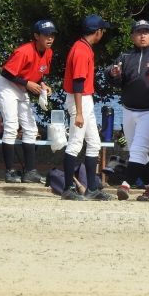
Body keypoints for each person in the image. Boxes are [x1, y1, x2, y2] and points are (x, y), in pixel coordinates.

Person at [106, 19, 149, 202]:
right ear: (132, 36)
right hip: (129, 110)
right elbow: (113, 78)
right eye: (139, 32)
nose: (143, 35)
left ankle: (126, 184)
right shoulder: (125, 57)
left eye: (146, 32)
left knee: (139, 149)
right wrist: (112, 74)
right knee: (137, 151)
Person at [0, 20, 56, 184]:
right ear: (36, 36)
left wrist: (43, 84)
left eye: (52, 35)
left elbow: (38, 73)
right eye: (46, 35)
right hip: (7, 87)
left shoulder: (48, 52)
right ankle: (9, 172)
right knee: (11, 127)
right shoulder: (24, 52)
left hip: (21, 87)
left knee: (30, 129)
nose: (50, 38)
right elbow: (6, 73)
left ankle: (30, 172)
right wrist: (27, 84)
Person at [61, 14, 113, 200]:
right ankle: (68, 188)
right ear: (97, 32)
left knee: (94, 143)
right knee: (75, 143)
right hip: (80, 99)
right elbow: (78, 82)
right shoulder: (82, 50)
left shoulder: (83, 46)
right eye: (102, 30)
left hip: (84, 99)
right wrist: (79, 112)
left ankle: (91, 188)